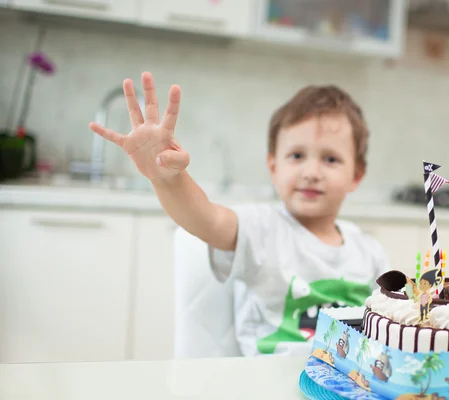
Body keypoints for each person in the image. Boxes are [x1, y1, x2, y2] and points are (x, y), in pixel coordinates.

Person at [90, 72, 389, 356]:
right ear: (273, 166)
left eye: (331, 159)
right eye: (296, 156)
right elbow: (205, 219)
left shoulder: (369, 251)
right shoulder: (261, 227)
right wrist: (167, 178)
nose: (311, 172)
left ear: (356, 176)